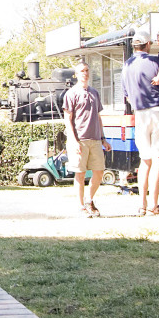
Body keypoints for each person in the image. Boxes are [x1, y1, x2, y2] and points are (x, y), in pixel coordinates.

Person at [121, 30, 159, 216]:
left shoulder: (127, 66)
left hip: (140, 113)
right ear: (148, 44)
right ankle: (154, 205)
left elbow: (126, 95)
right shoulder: (155, 61)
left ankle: (142, 205)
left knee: (145, 160)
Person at [62, 62, 111, 217]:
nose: (85, 73)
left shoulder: (94, 92)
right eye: (82, 71)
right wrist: (74, 140)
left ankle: (90, 200)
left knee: (99, 171)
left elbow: (98, 116)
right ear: (76, 74)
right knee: (80, 173)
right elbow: (68, 119)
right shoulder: (71, 93)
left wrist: (103, 138)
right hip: (79, 139)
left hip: (95, 139)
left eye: (87, 70)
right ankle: (81, 206)